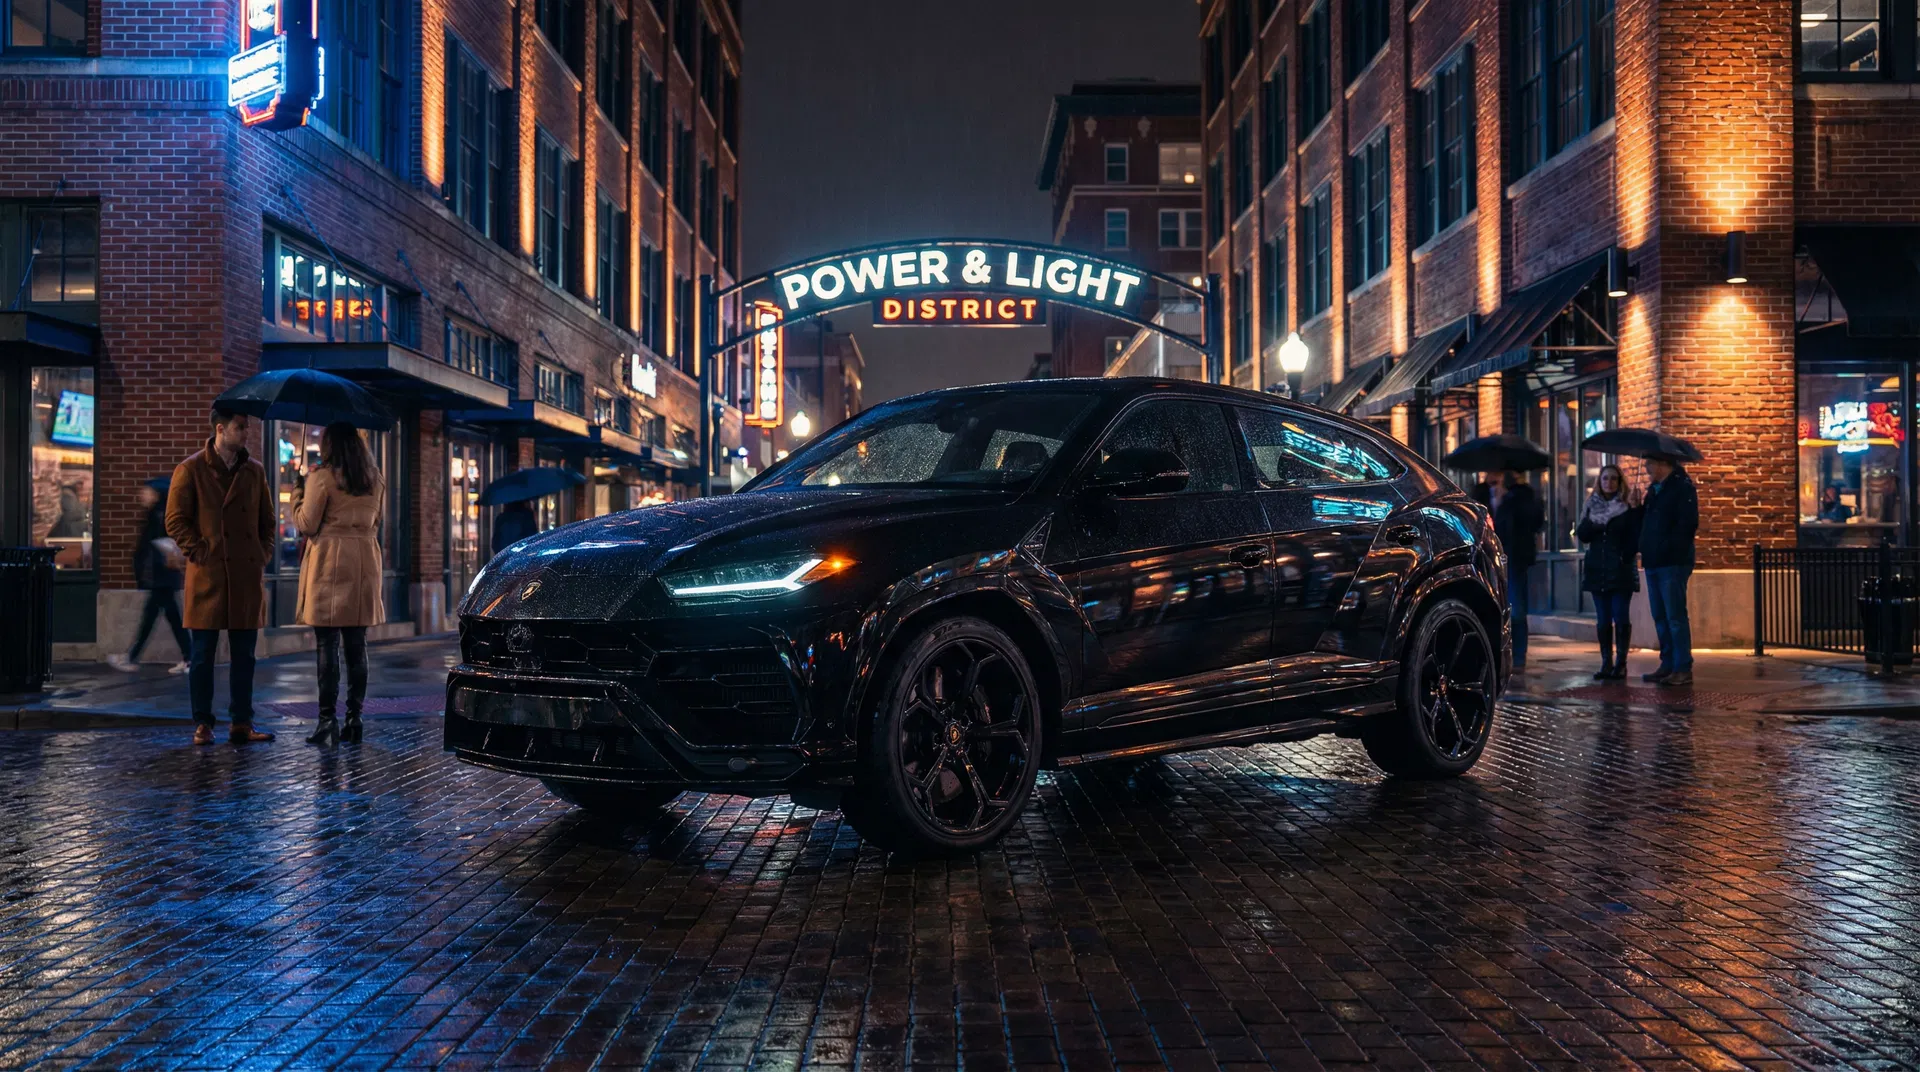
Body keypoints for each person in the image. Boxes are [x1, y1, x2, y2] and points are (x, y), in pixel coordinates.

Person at [166, 405, 276, 745]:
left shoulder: (254, 471)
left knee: (245, 656)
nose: (246, 434)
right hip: (209, 575)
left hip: (245, 574)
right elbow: (175, 519)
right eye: (240, 427)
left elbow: (267, 522)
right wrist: (200, 551)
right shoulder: (191, 469)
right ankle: (203, 723)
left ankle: (241, 722)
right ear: (220, 429)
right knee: (202, 656)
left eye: (247, 427)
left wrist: (262, 554)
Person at [292, 422, 386, 746]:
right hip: (364, 563)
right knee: (356, 646)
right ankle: (355, 718)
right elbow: (376, 522)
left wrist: (298, 492)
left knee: (327, 644)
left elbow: (307, 523)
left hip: (330, 562)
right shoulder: (375, 480)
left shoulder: (322, 478)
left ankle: (326, 720)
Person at [107, 481, 191, 675]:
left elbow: (160, 544)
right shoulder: (155, 514)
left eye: (147, 492)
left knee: (155, 617)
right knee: (168, 618)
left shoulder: (160, 515)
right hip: (162, 576)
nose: (142, 495)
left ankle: (132, 656)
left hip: (163, 576)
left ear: (158, 494)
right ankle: (189, 657)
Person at [1575, 465, 1643, 680]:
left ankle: (1621, 664)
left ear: (1619, 482)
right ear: (1600, 481)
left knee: (1620, 616)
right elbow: (1583, 535)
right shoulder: (1591, 506)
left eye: (1614, 479)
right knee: (1603, 619)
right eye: (1605, 478)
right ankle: (1606, 663)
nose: (1609, 482)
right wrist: (1595, 521)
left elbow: (1635, 535)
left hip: (1620, 569)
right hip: (1598, 569)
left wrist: (1637, 508)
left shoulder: (1626, 506)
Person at [1639, 454, 1700, 686]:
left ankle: (1682, 666)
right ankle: (1667, 663)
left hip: (1672, 562)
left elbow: (1687, 525)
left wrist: (1667, 549)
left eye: (1650, 463)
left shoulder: (1681, 488)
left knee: (1674, 616)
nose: (1647, 467)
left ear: (1664, 464)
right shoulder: (1654, 491)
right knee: (1660, 616)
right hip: (1654, 560)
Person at [1492, 469, 1544, 669]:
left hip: (1516, 557)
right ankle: (1507, 654)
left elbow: (1535, 522)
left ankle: (1518, 655)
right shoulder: (1494, 495)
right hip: (1499, 556)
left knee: (1517, 607)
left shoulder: (1525, 497)